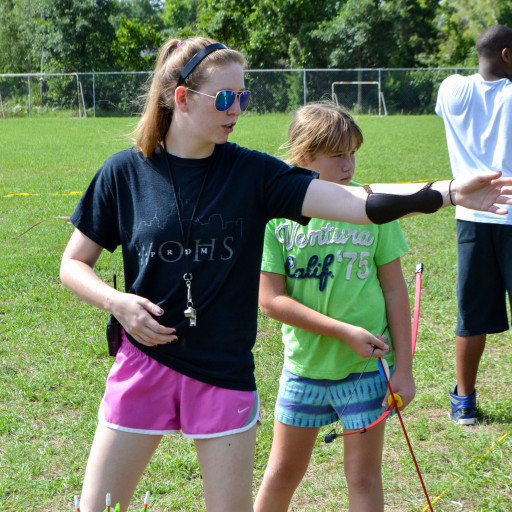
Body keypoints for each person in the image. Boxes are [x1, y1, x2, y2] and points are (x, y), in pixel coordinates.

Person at [60, 36, 512, 512]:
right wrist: (117, 302)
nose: (238, 109)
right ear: (181, 98)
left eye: (244, 97)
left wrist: (445, 192)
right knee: (99, 507)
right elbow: (74, 263)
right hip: (143, 366)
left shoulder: (252, 173)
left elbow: (356, 203)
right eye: (227, 98)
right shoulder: (123, 173)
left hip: (222, 373)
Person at [254, 103, 414, 512]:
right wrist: (343, 331)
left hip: (366, 371)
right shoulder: (276, 215)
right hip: (305, 368)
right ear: (304, 155)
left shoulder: (373, 207)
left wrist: (405, 370)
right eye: (338, 154)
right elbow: (270, 300)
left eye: (353, 152)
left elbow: (395, 290)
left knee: (363, 477)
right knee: (281, 474)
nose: (350, 164)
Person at [435, 24, 512, 425]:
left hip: (471, 214)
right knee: (471, 314)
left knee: (471, 314)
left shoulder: (451, 89)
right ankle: (463, 400)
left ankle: (463, 400)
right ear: (507, 55)